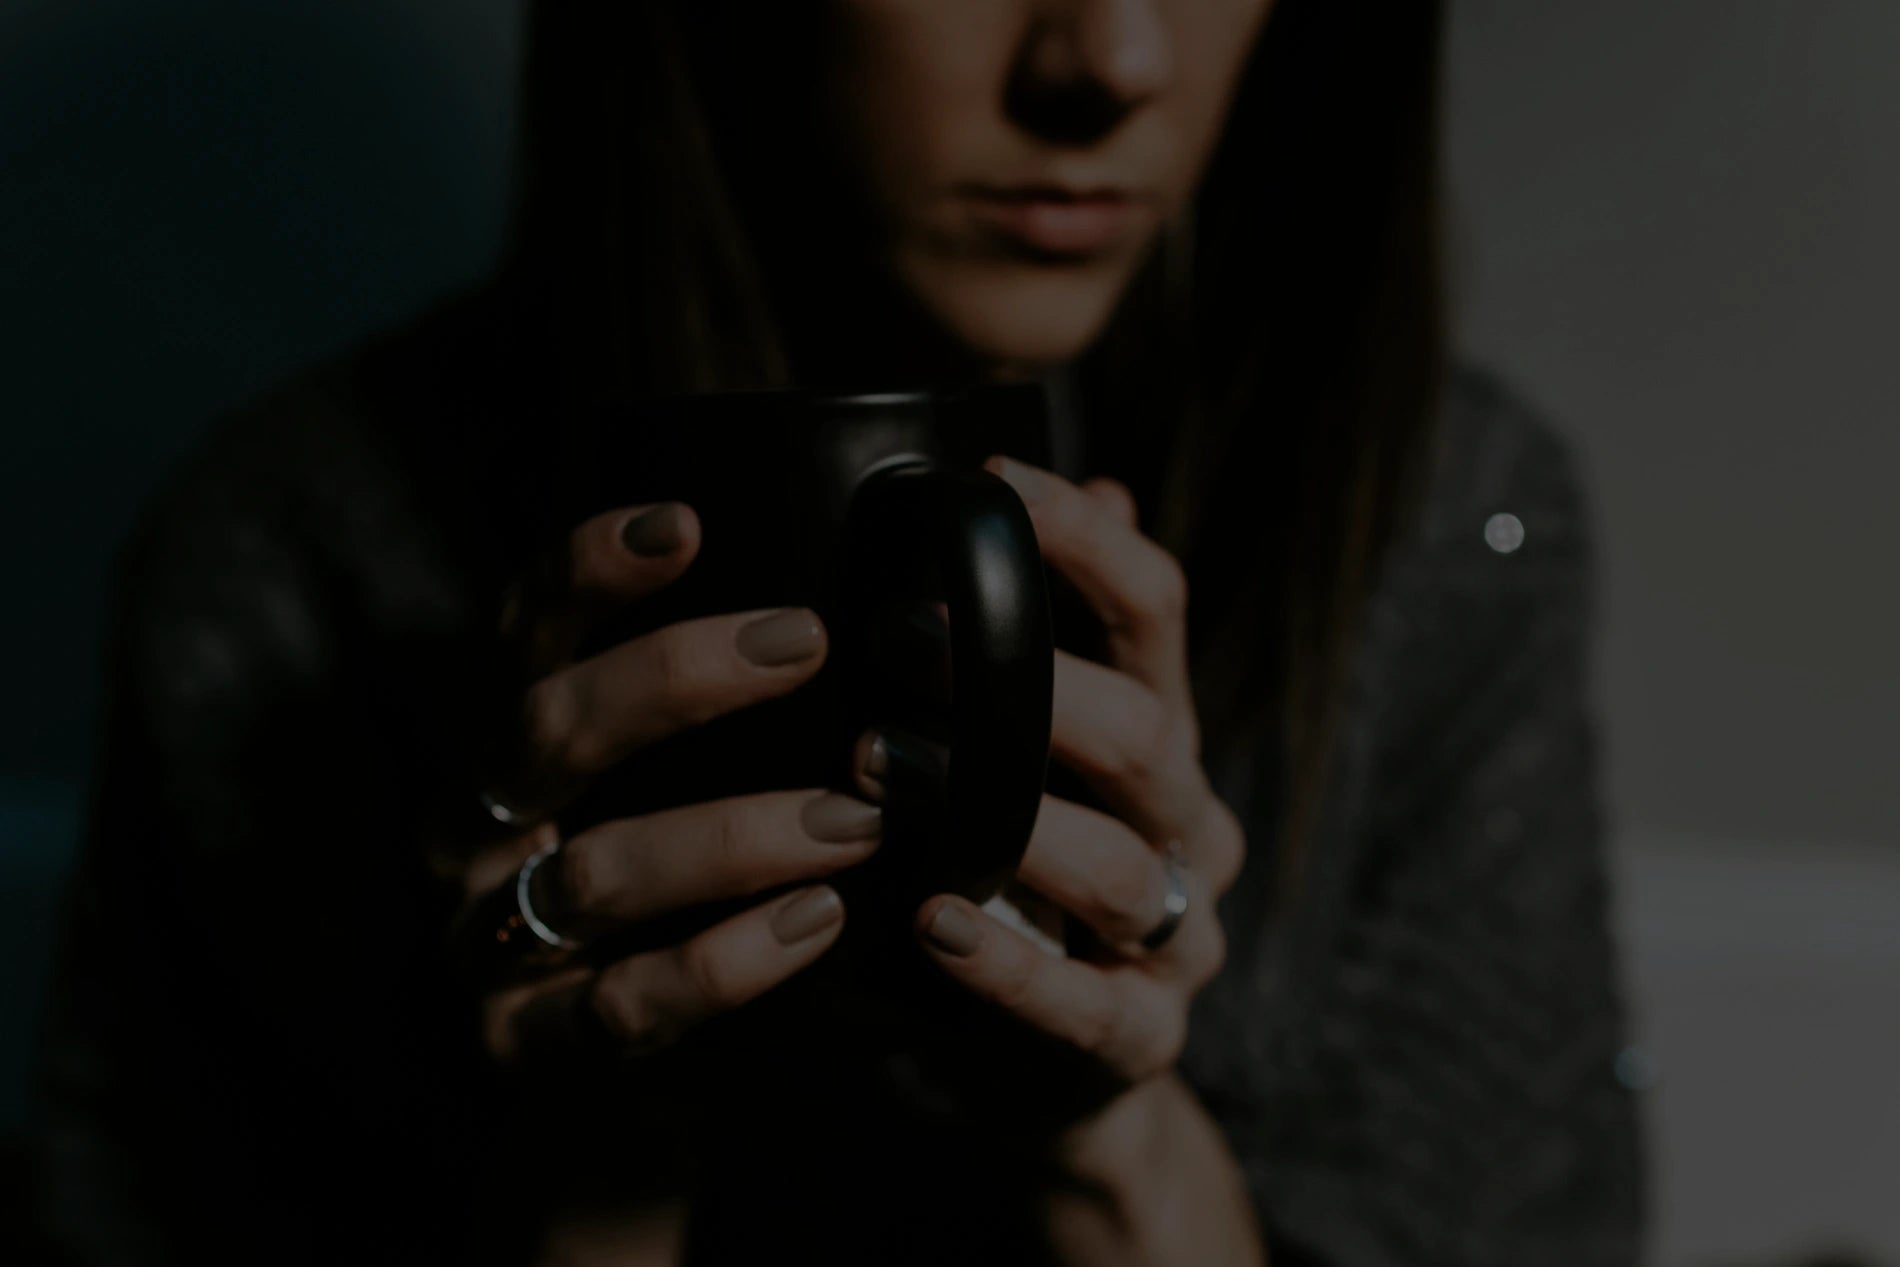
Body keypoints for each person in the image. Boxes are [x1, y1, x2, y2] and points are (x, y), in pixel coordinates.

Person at [34, 1, 1646, 1264]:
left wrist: (1110, 1136)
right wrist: (595, 1166)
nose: (1114, 60)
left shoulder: (1447, 525)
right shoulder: (300, 562)